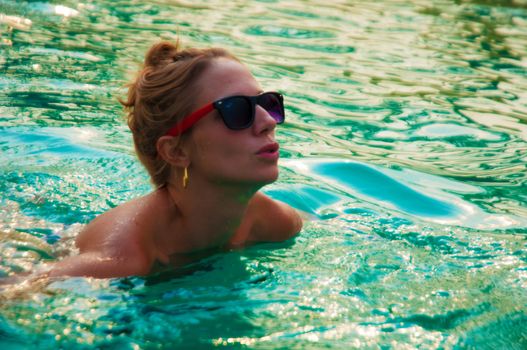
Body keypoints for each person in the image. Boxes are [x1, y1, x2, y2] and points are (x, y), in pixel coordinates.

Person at [47, 41, 303, 278]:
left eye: (267, 103)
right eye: (237, 110)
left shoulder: (277, 224)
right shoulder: (120, 259)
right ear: (176, 151)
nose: (268, 122)